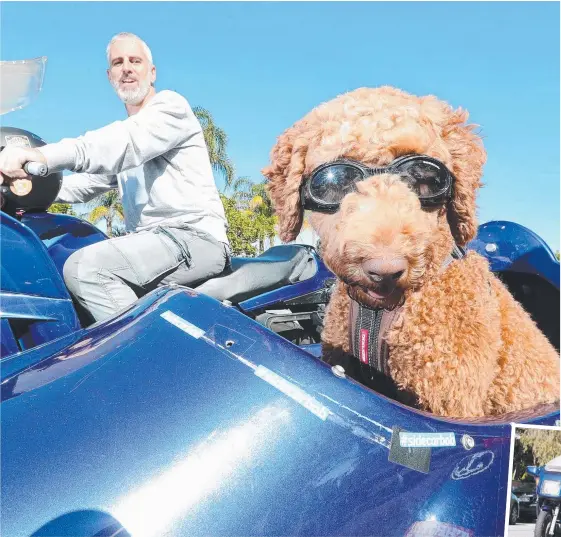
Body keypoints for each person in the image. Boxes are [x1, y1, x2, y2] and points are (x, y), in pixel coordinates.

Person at [0, 32, 230, 322]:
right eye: (118, 63)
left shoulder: (170, 109)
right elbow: (83, 186)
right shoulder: (131, 136)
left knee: (87, 269)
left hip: (193, 238)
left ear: (152, 71)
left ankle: (149, 364)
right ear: (110, 76)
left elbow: (119, 144)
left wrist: (41, 156)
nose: (127, 68)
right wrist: (18, 189)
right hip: (156, 243)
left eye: (135, 60)